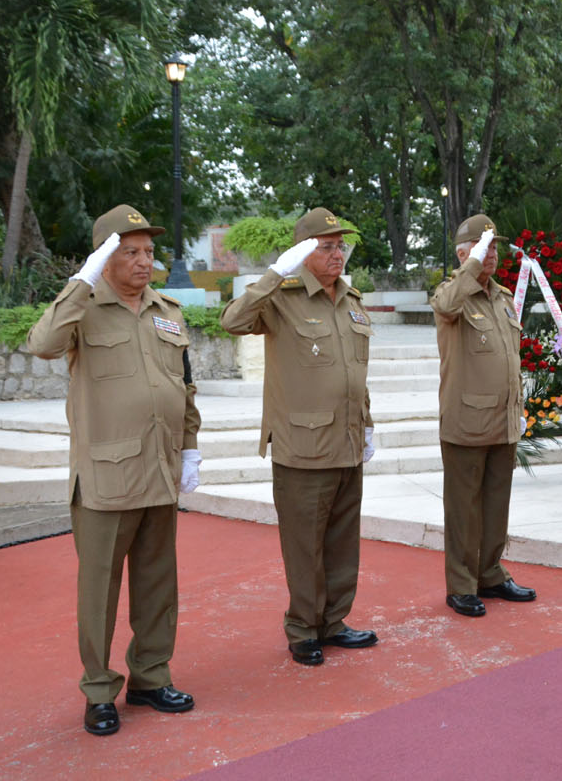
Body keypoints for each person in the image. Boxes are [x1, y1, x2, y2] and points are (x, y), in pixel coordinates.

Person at [26, 205, 201, 737]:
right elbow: (41, 344)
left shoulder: (167, 310)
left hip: (160, 470)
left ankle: (150, 677)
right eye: (131, 251)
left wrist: (190, 447)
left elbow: (183, 386)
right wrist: (81, 281)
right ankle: (99, 690)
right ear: (105, 256)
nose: (145, 261)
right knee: (99, 589)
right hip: (105, 477)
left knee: (157, 584)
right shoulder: (82, 310)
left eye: (148, 251)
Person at [218, 208, 379, 667]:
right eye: (326, 246)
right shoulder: (281, 297)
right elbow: (232, 320)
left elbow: (355, 373)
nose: (337, 254)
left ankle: (333, 621)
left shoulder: (351, 300)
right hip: (303, 446)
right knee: (305, 544)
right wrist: (274, 273)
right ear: (304, 252)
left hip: (347, 441)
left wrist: (366, 425)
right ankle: (303, 628)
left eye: (339, 246)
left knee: (343, 541)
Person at [431, 215, 534, 617]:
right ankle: (461, 584)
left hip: (503, 419)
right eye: (483, 248)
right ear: (464, 253)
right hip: (466, 421)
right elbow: (445, 304)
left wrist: (518, 409)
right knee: (463, 510)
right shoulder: (453, 294)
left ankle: (490, 573)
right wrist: (470, 266)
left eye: (493, 247)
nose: (492, 255)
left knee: (496, 505)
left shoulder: (501, 297)